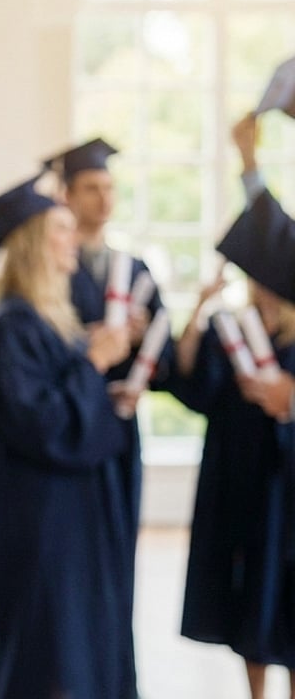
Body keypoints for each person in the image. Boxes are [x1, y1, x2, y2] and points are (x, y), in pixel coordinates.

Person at [0, 176, 136, 698]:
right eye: (61, 228)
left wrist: (107, 392)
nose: (74, 238)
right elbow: (45, 426)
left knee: (85, 649)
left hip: (71, 523)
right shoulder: (12, 326)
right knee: (53, 657)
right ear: (37, 243)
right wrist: (93, 364)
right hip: (41, 529)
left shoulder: (48, 322)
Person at [171, 113, 295, 699]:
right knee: (250, 599)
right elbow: (197, 390)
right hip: (244, 482)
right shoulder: (235, 327)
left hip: (287, 489)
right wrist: (196, 315)